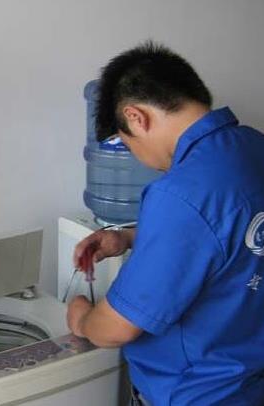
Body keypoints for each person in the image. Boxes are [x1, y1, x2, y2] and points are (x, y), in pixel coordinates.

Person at [66, 41, 264, 405]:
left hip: (199, 393)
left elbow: (116, 328)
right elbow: (229, 236)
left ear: (136, 117)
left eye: (128, 144)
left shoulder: (180, 193)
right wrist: (127, 237)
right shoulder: (253, 146)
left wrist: (81, 318)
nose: (139, 158)